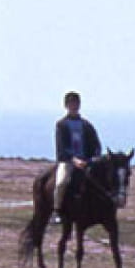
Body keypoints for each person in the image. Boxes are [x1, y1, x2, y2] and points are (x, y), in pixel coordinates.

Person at [51, 91, 102, 224]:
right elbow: (62, 147)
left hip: (86, 160)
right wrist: (74, 160)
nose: (74, 106)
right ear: (66, 105)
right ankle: (56, 210)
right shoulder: (61, 125)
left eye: (76, 103)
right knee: (61, 182)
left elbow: (96, 143)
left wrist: (95, 156)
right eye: (71, 103)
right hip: (68, 161)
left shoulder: (86, 125)